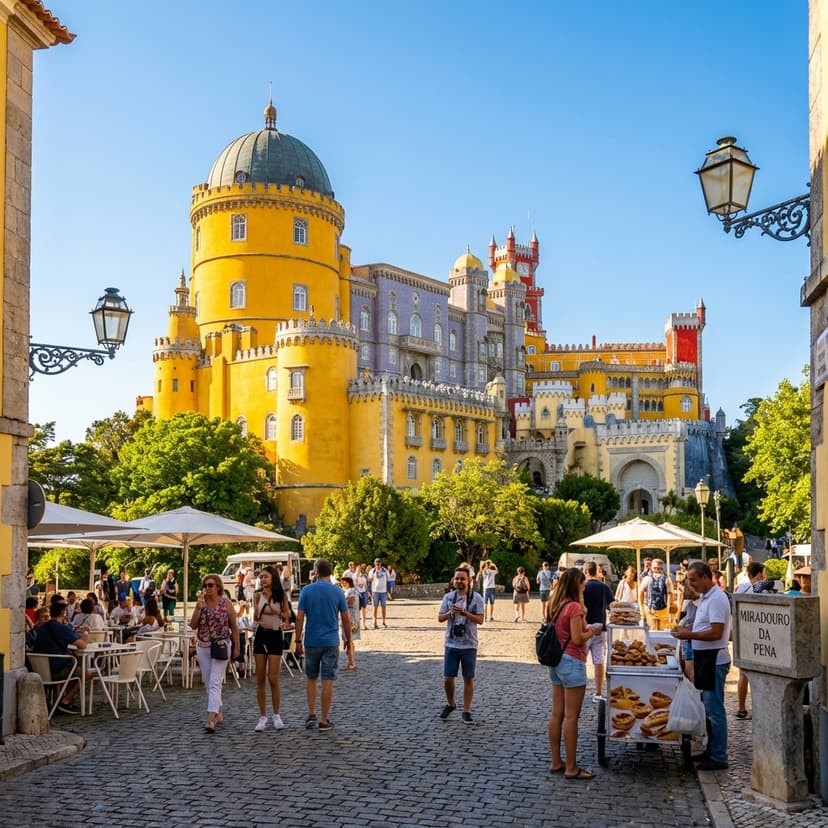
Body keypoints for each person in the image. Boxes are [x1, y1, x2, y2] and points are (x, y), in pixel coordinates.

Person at [670, 560, 731, 771]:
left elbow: (716, 632)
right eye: (689, 580)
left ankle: (719, 755)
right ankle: (712, 749)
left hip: (714, 659)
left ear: (706, 577)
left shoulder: (716, 599)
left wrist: (690, 634)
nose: (690, 584)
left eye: (693, 580)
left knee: (714, 709)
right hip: (706, 658)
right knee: (708, 706)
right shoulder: (706, 597)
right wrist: (687, 630)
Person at [546, 567, 603, 779]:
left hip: (556, 661)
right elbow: (578, 638)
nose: (584, 586)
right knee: (571, 717)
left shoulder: (554, 604)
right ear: (576, 584)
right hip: (572, 661)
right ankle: (571, 767)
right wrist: (593, 631)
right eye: (582, 583)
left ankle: (556, 761)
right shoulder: (574, 607)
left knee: (556, 714)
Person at [294, 559, 352, 731]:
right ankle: (324, 719)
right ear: (330, 572)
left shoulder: (307, 590)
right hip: (331, 641)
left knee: (311, 678)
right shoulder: (338, 591)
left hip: (312, 640)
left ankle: (311, 715)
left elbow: (299, 617)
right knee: (328, 680)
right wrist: (348, 639)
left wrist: (297, 640)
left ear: (317, 572)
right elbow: (346, 619)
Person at [190, 573, 240, 733]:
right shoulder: (201, 603)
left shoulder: (226, 603)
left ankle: (211, 719)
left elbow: (234, 627)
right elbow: (193, 625)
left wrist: (237, 648)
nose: (207, 588)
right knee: (208, 682)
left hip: (221, 645)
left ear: (218, 586)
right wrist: (197, 609)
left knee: (215, 682)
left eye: (210, 585)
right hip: (203, 646)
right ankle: (218, 713)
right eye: (205, 586)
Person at [437, 567, 485, 724]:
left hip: (469, 644)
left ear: (469, 580)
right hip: (451, 644)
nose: (459, 581)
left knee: (468, 678)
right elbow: (440, 618)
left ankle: (466, 710)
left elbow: (480, 620)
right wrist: (449, 613)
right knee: (447, 678)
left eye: (462, 579)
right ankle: (451, 703)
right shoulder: (448, 597)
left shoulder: (476, 598)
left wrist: (465, 613)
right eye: (456, 578)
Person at [733, 561, 775, 719]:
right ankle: (759, 710)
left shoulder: (741, 588)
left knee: (743, 674)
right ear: (760, 573)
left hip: (743, 634)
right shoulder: (763, 589)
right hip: (759, 634)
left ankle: (741, 708)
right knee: (761, 675)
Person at [252, 565, 290, 732]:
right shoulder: (257, 594)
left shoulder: (281, 595)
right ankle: (262, 716)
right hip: (261, 634)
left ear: (273, 578)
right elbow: (255, 616)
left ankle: (276, 714)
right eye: (261, 577)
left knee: (273, 678)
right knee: (260, 678)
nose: (263, 579)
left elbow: (287, 615)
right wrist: (259, 610)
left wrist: (274, 610)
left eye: (265, 576)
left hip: (275, 634)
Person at [33, 602, 89, 713]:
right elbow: (82, 646)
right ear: (63, 613)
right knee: (86, 673)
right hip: (56, 670)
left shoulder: (41, 628)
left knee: (71, 668)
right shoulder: (62, 628)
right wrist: (85, 636)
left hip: (40, 670)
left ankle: (58, 700)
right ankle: (65, 701)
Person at [582, 560, 614, 702]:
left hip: (584, 628)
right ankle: (599, 693)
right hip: (601, 628)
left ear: (586, 572)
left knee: (580, 661)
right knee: (599, 661)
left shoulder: (582, 586)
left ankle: (578, 690)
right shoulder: (604, 587)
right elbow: (612, 606)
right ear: (596, 571)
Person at [639, 558, 673, 630]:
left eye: (659, 568)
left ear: (662, 568)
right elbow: (640, 593)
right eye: (655, 568)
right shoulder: (647, 579)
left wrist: (669, 607)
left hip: (663, 610)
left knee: (663, 631)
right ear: (651, 568)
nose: (657, 570)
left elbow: (670, 594)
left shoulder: (667, 579)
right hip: (650, 609)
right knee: (652, 630)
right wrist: (642, 608)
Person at [340, 574, 360, 669]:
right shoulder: (350, 591)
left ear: (349, 583)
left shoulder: (351, 591)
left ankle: (352, 663)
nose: (342, 584)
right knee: (349, 640)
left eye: (344, 582)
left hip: (350, 618)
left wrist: (341, 603)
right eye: (342, 583)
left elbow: (351, 602)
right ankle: (351, 662)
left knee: (349, 640)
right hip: (351, 617)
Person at [367, 558, 388, 629]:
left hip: (383, 591)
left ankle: (384, 622)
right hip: (375, 591)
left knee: (383, 607)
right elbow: (368, 581)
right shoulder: (372, 571)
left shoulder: (385, 570)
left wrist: (387, 590)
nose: (378, 565)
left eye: (379, 564)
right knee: (375, 607)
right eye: (376, 564)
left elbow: (388, 579)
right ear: (374, 564)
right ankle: (374, 623)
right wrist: (369, 591)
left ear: (381, 564)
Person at [355, 564, 369, 630]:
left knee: (364, 609)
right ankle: (356, 625)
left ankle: (364, 624)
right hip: (356, 594)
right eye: (357, 570)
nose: (358, 571)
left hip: (363, 593)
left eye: (359, 570)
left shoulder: (363, 577)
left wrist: (366, 593)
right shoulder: (353, 577)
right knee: (357, 611)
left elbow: (365, 586)